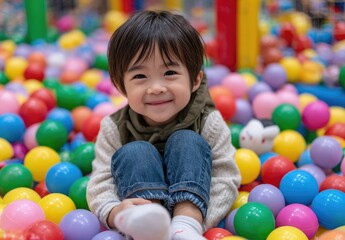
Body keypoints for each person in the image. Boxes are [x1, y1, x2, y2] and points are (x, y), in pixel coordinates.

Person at [86, 10, 241, 240]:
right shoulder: (113, 127)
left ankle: (184, 226)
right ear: (121, 85)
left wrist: (195, 224)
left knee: (186, 140)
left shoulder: (209, 121)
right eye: (140, 76)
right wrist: (114, 212)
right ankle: (149, 227)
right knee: (136, 151)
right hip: (142, 223)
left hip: (191, 220)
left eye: (169, 73)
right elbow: (100, 182)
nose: (156, 87)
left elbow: (224, 178)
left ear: (195, 80)